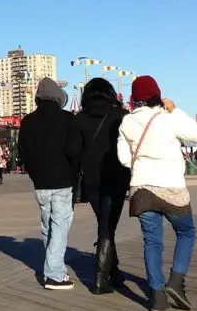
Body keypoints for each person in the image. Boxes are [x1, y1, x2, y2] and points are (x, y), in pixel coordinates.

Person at [117, 75, 197, 311]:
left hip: (142, 188)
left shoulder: (126, 122)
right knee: (186, 232)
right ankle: (176, 281)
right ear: (157, 94)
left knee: (152, 241)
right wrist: (175, 111)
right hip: (170, 187)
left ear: (134, 98)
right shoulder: (167, 118)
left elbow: (124, 159)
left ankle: (157, 297)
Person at [17, 78, 83, 290]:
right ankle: (53, 275)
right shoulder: (67, 120)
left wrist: (34, 173)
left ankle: (56, 268)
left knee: (48, 226)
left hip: (40, 184)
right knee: (60, 228)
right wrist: (73, 173)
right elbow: (75, 152)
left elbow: (22, 153)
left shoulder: (27, 121)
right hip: (63, 182)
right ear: (57, 97)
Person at [74, 77, 131, 294]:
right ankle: (100, 278)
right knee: (108, 226)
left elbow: (74, 150)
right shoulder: (121, 117)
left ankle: (114, 272)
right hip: (115, 179)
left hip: (90, 181)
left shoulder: (79, 119)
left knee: (104, 223)